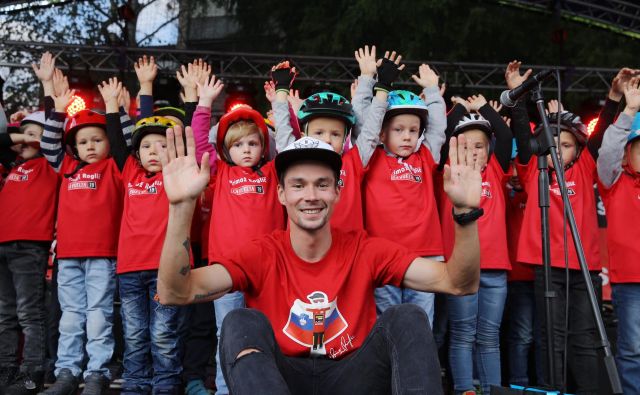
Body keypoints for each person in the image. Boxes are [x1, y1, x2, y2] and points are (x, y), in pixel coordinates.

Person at [155, 124, 483, 395]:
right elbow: (176, 292)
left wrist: (466, 213)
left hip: (353, 377)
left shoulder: (365, 249)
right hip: (282, 381)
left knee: (408, 316)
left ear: (337, 192)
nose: (311, 195)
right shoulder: (262, 252)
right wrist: (181, 207)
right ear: (282, 194)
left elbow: (457, 282)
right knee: (239, 323)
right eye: (298, 185)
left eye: (322, 184)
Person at [508, 60, 605, 393]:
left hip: (584, 269)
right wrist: (518, 96)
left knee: (584, 339)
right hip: (547, 268)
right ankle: (553, 390)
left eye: (565, 145)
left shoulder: (585, 167)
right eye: (552, 145)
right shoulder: (534, 169)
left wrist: (618, 100)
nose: (557, 151)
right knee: (552, 338)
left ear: (578, 150)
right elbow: (522, 136)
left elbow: (602, 132)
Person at [191, 76, 286, 395]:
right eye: (237, 144)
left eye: (252, 143)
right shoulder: (221, 172)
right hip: (227, 270)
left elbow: (288, 143)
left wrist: (280, 105)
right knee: (226, 334)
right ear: (226, 149)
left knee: (267, 333)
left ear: (263, 145)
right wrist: (204, 104)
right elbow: (200, 145)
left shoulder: (274, 172)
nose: (245, 150)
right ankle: (223, 389)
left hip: (267, 269)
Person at [39, 76, 128, 395]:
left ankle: (97, 373)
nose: (90, 145)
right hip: (68, 256)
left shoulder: (115, 169)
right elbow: (48, 145)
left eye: (97, 139)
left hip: (103, 255)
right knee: (70, 317)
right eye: (83, 141)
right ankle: (66, 371)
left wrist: (116, 108)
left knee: (99, 316)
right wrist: (59, 112)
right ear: (73, 147)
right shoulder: (68, 168)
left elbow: (124, 142)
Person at [361, 56, 446, 325]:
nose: (408, 136)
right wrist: (369, 83)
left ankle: (417, 369)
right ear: (382, 134)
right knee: (388, 326)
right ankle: (389, 370)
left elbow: (438, 129)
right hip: (384, 255)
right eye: (398, 130)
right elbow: (365, 123)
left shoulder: (425, 156)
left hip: (425, 255)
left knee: (421, 326)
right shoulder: (371, 157)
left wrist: (433, 92)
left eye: (413, 130)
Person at [438, 96, 512, 395]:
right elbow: (442, 134)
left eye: (479, 146)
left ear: (489, 151)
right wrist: (456, 108)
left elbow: (505, 135)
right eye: (465, 145)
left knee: (489, 337)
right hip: (462, 269)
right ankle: (464, 390)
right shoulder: (446, 173)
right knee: (463, 335)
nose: (473, 152)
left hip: (495, 271)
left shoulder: (496, 169)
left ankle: (491, 390)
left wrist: (483, 107)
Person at [117, 116, 187, 395]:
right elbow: (119, 139)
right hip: (130, 269)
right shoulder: (130, 173)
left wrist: (195, 101)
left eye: (162, 145)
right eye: (146, 146)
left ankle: (166, 385)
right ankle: (135, 385)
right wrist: (113, 107)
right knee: (134, 334)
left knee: (163, 334)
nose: (154, 151)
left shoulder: (177, 176)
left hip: (165, 271)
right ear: (136, 154)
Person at [0, 110, 58, 395]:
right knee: (5, 313)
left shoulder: (49, 165)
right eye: (21, 135)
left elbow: (53, 136)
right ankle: (6, 368)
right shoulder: (11, 166)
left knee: (28, 313)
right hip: (3, 245)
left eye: (35, 135)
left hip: (29, 247)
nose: (25, 140)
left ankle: (32, 371)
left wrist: (32, 135)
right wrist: (18, 130)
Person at [596, 77, 640, 395]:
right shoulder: (615, 180)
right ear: (627, 155)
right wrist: (629, 111)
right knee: (633, 350)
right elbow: (608, 149)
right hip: (629, 283)